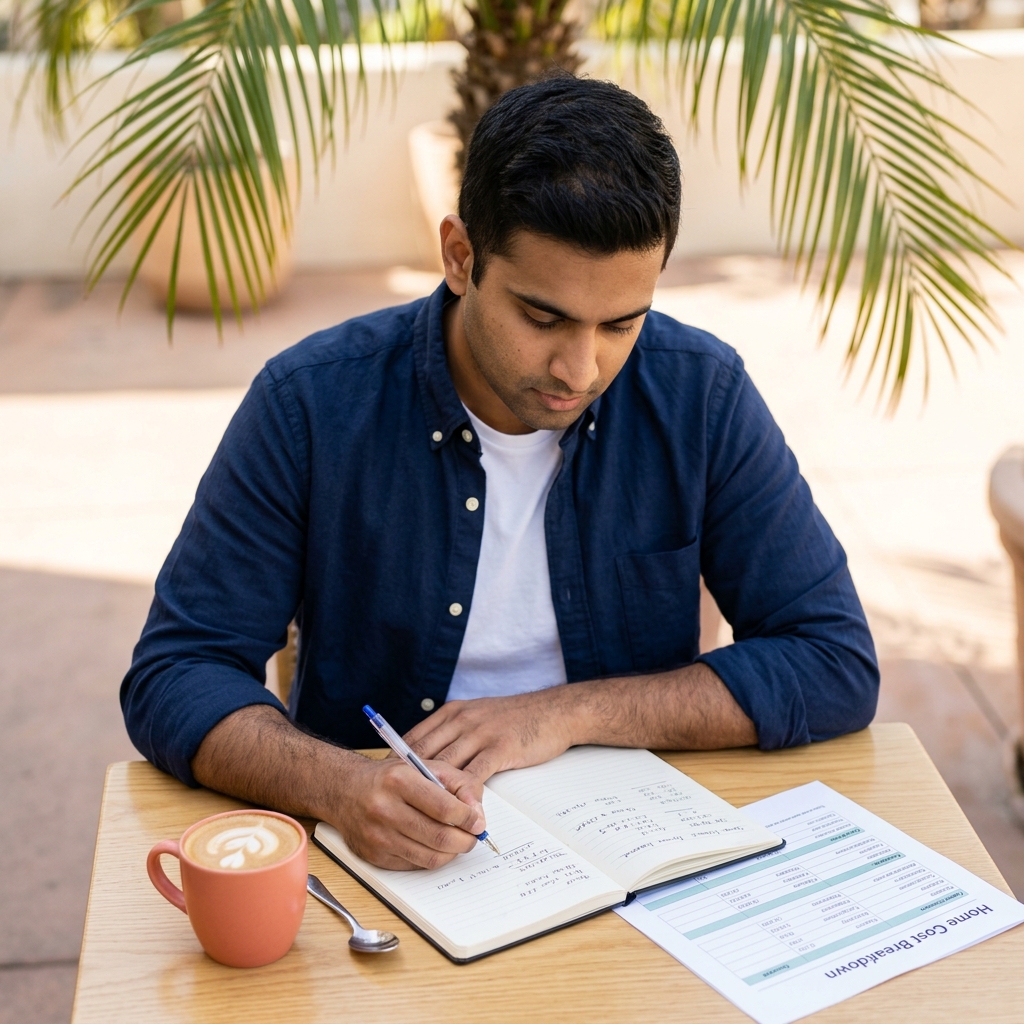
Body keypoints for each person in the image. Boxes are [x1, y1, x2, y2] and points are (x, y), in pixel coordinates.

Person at [121, 75, 879, 872]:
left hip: (636, 852)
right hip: (391, 862)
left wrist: (564, 714)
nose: (581, 368)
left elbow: (833, 659)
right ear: (460, 256)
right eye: (543, 317)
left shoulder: (700, 393)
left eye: (622, 323)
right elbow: (178, 671)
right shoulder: (311, 403)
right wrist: (341, 787)